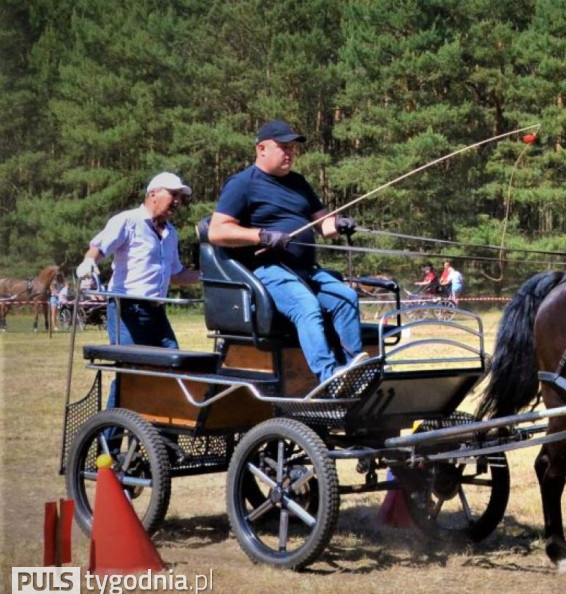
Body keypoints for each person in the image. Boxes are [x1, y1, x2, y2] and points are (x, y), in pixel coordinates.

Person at [207, 119, 364, 390]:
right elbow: (217, 232)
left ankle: (353, 371)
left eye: (292, 148)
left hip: (307, 270)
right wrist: (262, 236)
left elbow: (324, 226)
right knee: (307, 307)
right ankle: (328, 379)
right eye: (283, 147)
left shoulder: (299, 183)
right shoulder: (242, 184)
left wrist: (338, 224)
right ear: (262, 149)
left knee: (346, 298)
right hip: (268, 269)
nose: (290, 153)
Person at [76, 171, 201, 406]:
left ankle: (163, 440)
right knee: (131, 375)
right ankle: (109, 442)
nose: (177, 202)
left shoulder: (171, 233)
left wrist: (209, 275)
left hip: (157, 314)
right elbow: (98, 247)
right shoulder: (128, 220)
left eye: (180, 198)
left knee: (173, 369)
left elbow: (176, 275)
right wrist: (89, 261)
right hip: (126, 311)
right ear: (153, 194)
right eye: (173, 195)